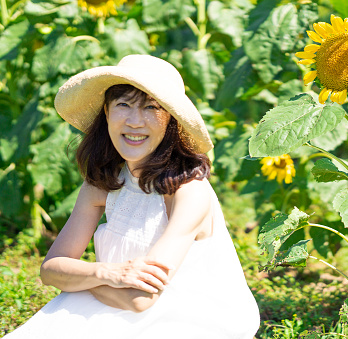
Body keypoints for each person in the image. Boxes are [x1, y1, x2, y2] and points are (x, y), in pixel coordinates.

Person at [4, 54, 260, 338]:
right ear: (107, 112)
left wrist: (80, 278)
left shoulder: (188, 193)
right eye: (123, 104)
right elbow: (51, 270)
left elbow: (140, 299)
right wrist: (108, 274)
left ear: (171, 121)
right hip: (113, 298)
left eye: (152, 107)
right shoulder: (104, 184)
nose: (135, 121)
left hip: (185, 320)